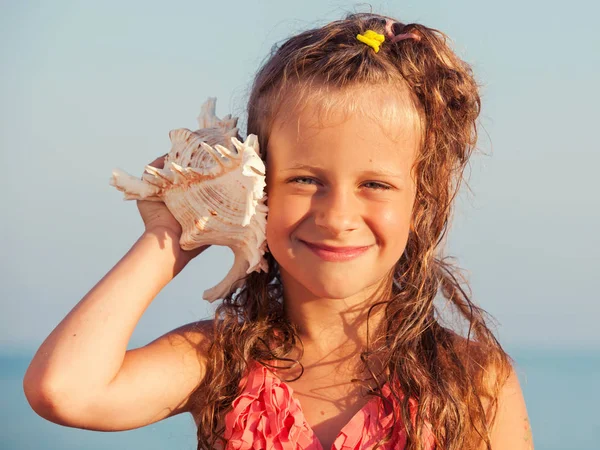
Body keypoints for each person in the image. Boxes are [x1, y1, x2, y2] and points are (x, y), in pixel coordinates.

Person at [23, 13, 533, 450]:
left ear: (421, 202)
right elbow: (64, 390)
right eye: (305, 180)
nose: (337, 216)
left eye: (375, 184)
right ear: (258, 186)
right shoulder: (220, 362)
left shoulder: (472, 382)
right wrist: (177, 232)